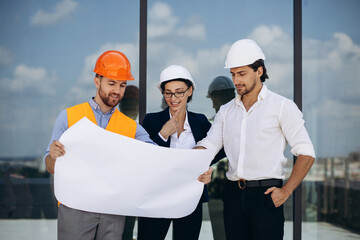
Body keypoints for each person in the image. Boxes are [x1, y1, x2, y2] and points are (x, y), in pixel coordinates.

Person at [196, 39, 316, 240]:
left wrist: (285, 192)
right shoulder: (226, 111)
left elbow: (307, 153)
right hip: (233, 195)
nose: (236, 81)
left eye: (242, 74)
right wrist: (184, 159)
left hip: (266, 197)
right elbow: (209, 145)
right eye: (233, 74)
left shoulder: (281, 106)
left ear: (259, 71)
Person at [137, 65, 224, 240]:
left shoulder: (199, 121)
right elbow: (142, 156)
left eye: (179, 92)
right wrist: (163, 134)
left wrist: (204, 167)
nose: (173, 98)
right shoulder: (152, 120)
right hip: (157, 197)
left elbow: (218, 148)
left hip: (190, 198)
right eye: (168, 93)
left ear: (190, 91)